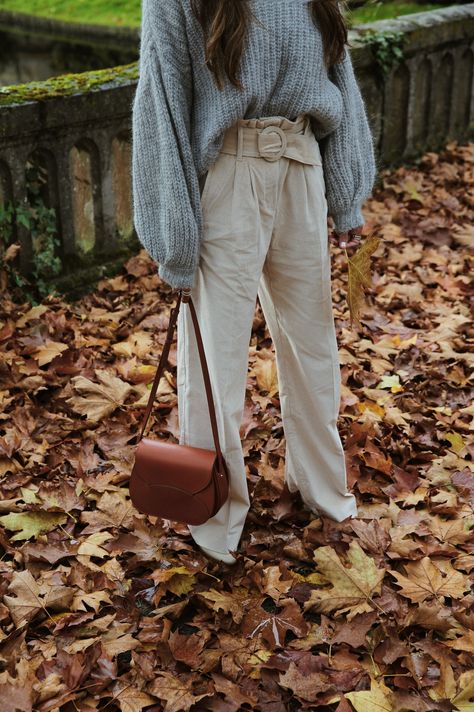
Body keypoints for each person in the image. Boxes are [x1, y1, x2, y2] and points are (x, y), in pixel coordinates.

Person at [131, 0, 378, 565]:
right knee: (215, 359)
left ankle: (322, 487)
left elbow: (338, 74)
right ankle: (214, 510)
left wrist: (346, 199)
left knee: (313, 346)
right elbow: (162, 104)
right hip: (227, 175)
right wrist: (175, 237)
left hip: (302, 164)